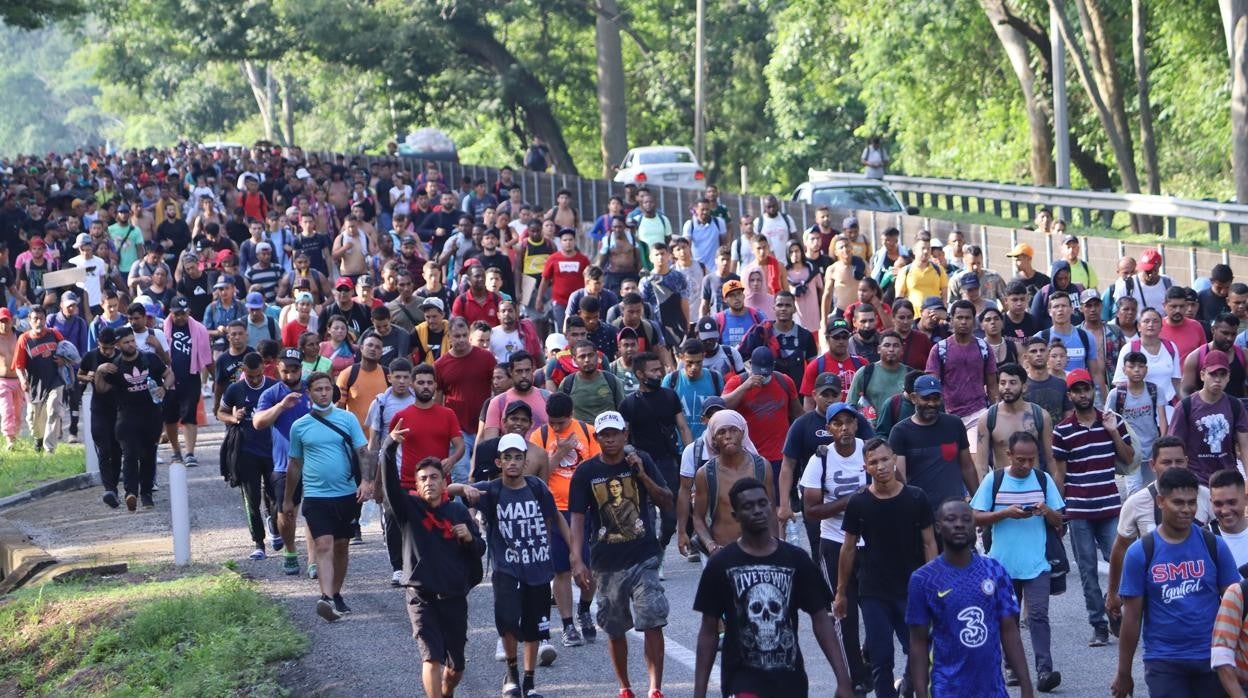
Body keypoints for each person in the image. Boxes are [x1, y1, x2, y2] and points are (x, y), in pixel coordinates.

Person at [693, 477, 856, 698]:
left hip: (790, 681)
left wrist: (843, 679)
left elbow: (821, 618)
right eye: (748, 507)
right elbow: (709, 630)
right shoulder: (721, 564)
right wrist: (699, 692)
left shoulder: (796, 559)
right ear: (735, 516)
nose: (757, 511)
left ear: (771, 507)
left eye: (762, 503)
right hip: (742, 680)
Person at [450, 434, 574, 697]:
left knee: (533, 628)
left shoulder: (537, 487)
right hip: (507, 569)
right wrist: (464, 488)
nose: (514, 463)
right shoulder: (492, 490)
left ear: (525, 461)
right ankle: (512, 673)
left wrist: (574, 552)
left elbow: (556, 518)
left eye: (518, 457)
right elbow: (444, 491)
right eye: (508, 458)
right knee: (507, 622)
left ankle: (529, 682)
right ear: (499, 461)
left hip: (538, 568)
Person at [568, 411, 674, 698]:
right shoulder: (586, 472)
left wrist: (641, 474)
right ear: (597, 438)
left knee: (652, 619)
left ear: (625, 433)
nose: (610, 439)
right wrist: (577, 560)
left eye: (615, 433)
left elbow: (666, 500)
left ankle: (655, 688)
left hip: (644, 556)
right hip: (607, 562)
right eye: (604, 434)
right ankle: (625, 687)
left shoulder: (641, 460)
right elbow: (577, 517)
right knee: (614, 627)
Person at [1111, 467, 1240, 698]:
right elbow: (1132, 617)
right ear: (1161, 501)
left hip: (1212, 660)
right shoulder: (1141, 552)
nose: (1187, 510)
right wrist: (1123, 673)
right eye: (1178, 503)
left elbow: (1236, 606)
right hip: (1164, 662)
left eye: (1192, 503)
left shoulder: (1214, 545)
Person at [379, 448, 484, 698]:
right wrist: (390, 447)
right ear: (416, 484)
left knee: (456, 666)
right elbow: (391, 485)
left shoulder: (458, 512)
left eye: (434, 477)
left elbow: (479, 549)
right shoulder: (409, 509)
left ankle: (447, 691)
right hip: (421, 597)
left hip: (454, 598)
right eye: (423, 478)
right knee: (431, 658)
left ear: (444, 482)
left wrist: (469, 538)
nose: (429, 482)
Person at [837, 438, 937, 698]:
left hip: (911, 589)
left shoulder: (916, 497)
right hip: (873, 591)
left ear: (894, 459)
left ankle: (909, 687)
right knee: (881, 659)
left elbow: (929, 542)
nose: (880, 466)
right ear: (865, 467)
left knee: (919, 651)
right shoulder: (859, 502)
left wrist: (935, 583)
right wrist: (840, 592)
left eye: (884, 459)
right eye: (873, 462)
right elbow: (847, 548)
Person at [906, 498, 1035, 698]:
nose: (959, 524)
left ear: (975, 526)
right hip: (945, 689)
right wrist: (921, 693)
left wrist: (1026, 686)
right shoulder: (923, 579)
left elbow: (1009, 630)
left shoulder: (994, 570)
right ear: (938, 528)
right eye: (951, 519)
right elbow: (918, 642)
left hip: (992, 690)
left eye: (966, 519)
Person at [970, 432, 1066, 692]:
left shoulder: (1043, 480)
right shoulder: (995, 479)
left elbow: (1060, 520)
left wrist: (1047, 511)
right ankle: (1011, 666)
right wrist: (1005, 513)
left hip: (1038, 564)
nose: (1025, 465)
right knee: (1008, 619)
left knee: (1038, 615)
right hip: (1002, 566)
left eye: (1031, 460)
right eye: (1020, 459)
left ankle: (1044, 669)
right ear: (1009, 455)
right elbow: (975, 517)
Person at [282, 371, 374, 622]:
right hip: (315, 495)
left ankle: (336, 593)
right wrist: (288, 498)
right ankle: (326, 597)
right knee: (324, 545)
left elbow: (363, 452)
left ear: (333, 391)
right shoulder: (299, 426)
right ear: (308, 393)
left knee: (342, 546)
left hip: (347, 494)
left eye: (326, 389)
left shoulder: (347, 419)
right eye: (318, 389)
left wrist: (366, 481)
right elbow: (295, 464)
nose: (323, 393)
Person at [1052, 368, 1132, 647]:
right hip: (1079, 510)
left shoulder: (1111, 421)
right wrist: (1059, 512)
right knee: (1087, 570)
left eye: (1086, 389)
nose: (1082, 394)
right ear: (1070, 394)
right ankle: (1098, 625)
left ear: (1092, 392)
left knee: (1119, 563)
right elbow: (1060, 475)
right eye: (1077, 390)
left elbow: (1128, 458)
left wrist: (1113, 433)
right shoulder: (1061, 431)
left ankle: (1116, 610)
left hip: (1109, 507)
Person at [1105, 435, 1215, 630]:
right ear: (1153, 465)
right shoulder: (1136, 503)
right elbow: (1120, 549)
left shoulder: (1206, 497)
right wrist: (1112, 593)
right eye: (1166, 462)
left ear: (1187, 462)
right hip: (1156, 595)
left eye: (1179, 461)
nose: (1173, 467)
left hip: (1200, 591)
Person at [799, 402, 871, 692]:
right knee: (846, 614)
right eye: (837, 423)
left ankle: (873, 658)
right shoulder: (821, 459)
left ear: (856, 425)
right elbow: (811, 510)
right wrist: (853, 501)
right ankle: (856, 676)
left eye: (849, 422)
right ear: (828, 428)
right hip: (835, 543)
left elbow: (893, 485)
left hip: (872, 541)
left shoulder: (869, 450)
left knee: (880, 608)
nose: (844, 428)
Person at [528, 392, 601, 649]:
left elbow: (597, 469)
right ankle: (568, 624)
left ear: (571, 415)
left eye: (560, 422)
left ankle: (584, 609)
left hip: (586, 510)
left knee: (589, 568)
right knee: (561, 570)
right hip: (555, 511)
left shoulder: (587, 431)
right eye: (552, 421)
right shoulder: (540, 437)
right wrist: (560, 453)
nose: (556, 426)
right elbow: (536, 478)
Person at [618, 350, 692, 575]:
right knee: (645, 516)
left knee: (671, 517)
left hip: (667, 463)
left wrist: (691, 454)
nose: (659, 374)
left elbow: (682, 427)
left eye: (660, 369)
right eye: (654, 370)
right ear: (640, 374)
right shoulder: (628, 404)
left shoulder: (670, 396)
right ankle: (650, 559)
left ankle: (660, 548)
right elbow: (624, 437)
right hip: (640, 466)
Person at [92, 327, 167, 511]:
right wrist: (100, 372)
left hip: (151, 416)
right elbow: (101, 389)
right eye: (126, 342)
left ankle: (147, 494)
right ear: (118, 345)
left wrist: (164, 388)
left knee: (149, 455)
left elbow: (168, 375)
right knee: (130, 455)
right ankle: (130, 493)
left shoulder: (149, 359)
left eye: (132, 340)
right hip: (126, 418)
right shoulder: (115, 367)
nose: (131, 344)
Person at [254, 349, 315, 575]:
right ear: (278, 369)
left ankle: (313, 560)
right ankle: (290, 549)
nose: (290, 376)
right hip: (284, 464)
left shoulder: (313, 388)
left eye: (294, 370)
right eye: (285, 371)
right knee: (287, 514)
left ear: (301, 368)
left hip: (315, 462)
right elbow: (258, 422)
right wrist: (281, 406)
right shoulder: (271, 394)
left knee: (314, 512)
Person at [887, 375, 979, 514]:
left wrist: (979, 504)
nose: (931, 403)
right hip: (921, 513)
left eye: (936, 398)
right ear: (913, 398)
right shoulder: (900, 432)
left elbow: (967, 467)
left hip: (954, 513)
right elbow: (900, 481)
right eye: (926, 398)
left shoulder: (954, 424)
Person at [217, 352, 278, 559]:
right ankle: (259, 543)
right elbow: (220, 412)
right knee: (250, 499)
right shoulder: (235, 389)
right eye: (250, 376)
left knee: (276, 494)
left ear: (264, 369)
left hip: (272, 450)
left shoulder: (273, 386)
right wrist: (233, 417)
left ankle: (274, 525)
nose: (255, 379)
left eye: (258, 375)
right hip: (245, 451)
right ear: (243, 371)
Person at [690, 409, 775, 553]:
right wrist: (711, 545)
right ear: (713, 439)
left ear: (743, 433)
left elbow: (771, 511)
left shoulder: (762, 467)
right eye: (721, 432)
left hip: (759, 550)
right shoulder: (705, 473)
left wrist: (775, 547)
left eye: (733, 430)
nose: (728, 436)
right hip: (722, 551)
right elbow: (698, 518)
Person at [1168, 349, 1248, 484]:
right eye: (1213, 374)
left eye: (1222, 374)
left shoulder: (1235, 405)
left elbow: (1245, 447)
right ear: (1202, 375)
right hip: (1196, 480)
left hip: (1228, 478)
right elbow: (1174, 449)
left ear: (1228, 377)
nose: (1218, 379)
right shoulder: (1185, 406)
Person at [927, 300, 998, 448]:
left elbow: (992, 385)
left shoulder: (984, 348)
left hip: (978, 414)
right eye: (959, 318)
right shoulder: (939, 349)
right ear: (951, 320)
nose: (964, 322)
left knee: (975, 458)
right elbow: (932, 385)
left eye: (968, 318)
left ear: (974, 320)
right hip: (948, 415)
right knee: (950, 460)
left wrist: (996, 414)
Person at [974, 362, 1053, 478]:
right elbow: (981, 465)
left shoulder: (1041, 416)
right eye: (1002, 383)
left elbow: (1051, 460)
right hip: (1002, 487)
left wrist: (1055, 493)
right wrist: (985, 493)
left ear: (1024, 387)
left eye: (1013, 383)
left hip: (1034, 487)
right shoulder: (987, 418)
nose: (1007, 387)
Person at [1108, 350, 1168, 492]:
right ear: (1124, 370)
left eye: (1141, 366)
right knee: (1134, 491)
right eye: (1132, 366)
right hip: (1131, 451)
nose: (1136, 370)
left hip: (1152, 449)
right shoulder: (1116, 394)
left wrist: (1162, 444)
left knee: (1154, 489)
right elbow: (1109, 420)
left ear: (1146, 369)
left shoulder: (1155, 390)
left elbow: (1162, 418)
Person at [162, 296, 211, 467]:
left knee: (190, 416)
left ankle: (190, 452)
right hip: (168, 379)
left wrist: (216, 377)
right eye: (177, 314)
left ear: (188, 312)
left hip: (190, 377)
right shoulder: (163, 328)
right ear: (171, 313)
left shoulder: (198, 329)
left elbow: (207, 356)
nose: (180, 317)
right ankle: (176, 451)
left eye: (183, 313)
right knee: (169, 418)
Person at [77, 326, 123, 506]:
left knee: (116, 449)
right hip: (99, 409)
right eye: (104, 348)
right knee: (103, 450)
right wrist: (88, 377)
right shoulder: (91, 356)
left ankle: (115, 487)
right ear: (98, 344)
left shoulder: (120, 356)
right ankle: (109, 489)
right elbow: (79, 374)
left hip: (118, 408)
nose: (107, 351)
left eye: (110, 348)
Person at [12, 305, 66, 453]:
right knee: (33, 419)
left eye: (41, 318)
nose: (39, 322)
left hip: (55, 382)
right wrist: (23, 380)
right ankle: (39, 440)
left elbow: (67, 353)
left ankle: (50, 450)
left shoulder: (55, 334)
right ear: (30, 320)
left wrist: (64, 360)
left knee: (54, 411)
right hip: (34, 386)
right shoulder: (24, 339)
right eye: (35, 319)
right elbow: (18, 366)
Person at [799, 318, 867, 407]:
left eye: (845, 337)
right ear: (827, 338)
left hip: (855, 417)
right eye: (836, 337)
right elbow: (809, 401)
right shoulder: (815, 366)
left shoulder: (862, 363)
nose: (841, 341)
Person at [1181, 313, 1247, 399]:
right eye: (1225, 333)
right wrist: (1193, 410)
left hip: (1236, 410)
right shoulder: (1195, 357)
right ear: (1213, 330)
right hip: (1206, 410)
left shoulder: (1244, 355)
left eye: (1233, 334)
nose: (1229, 338)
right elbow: (1186, 391)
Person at [1210, 468, 1248, 570]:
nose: (1225, 511)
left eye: (1232, 502)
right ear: (1211, 502)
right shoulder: (1203, 537)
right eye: (1218, 504)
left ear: (1245, 499)